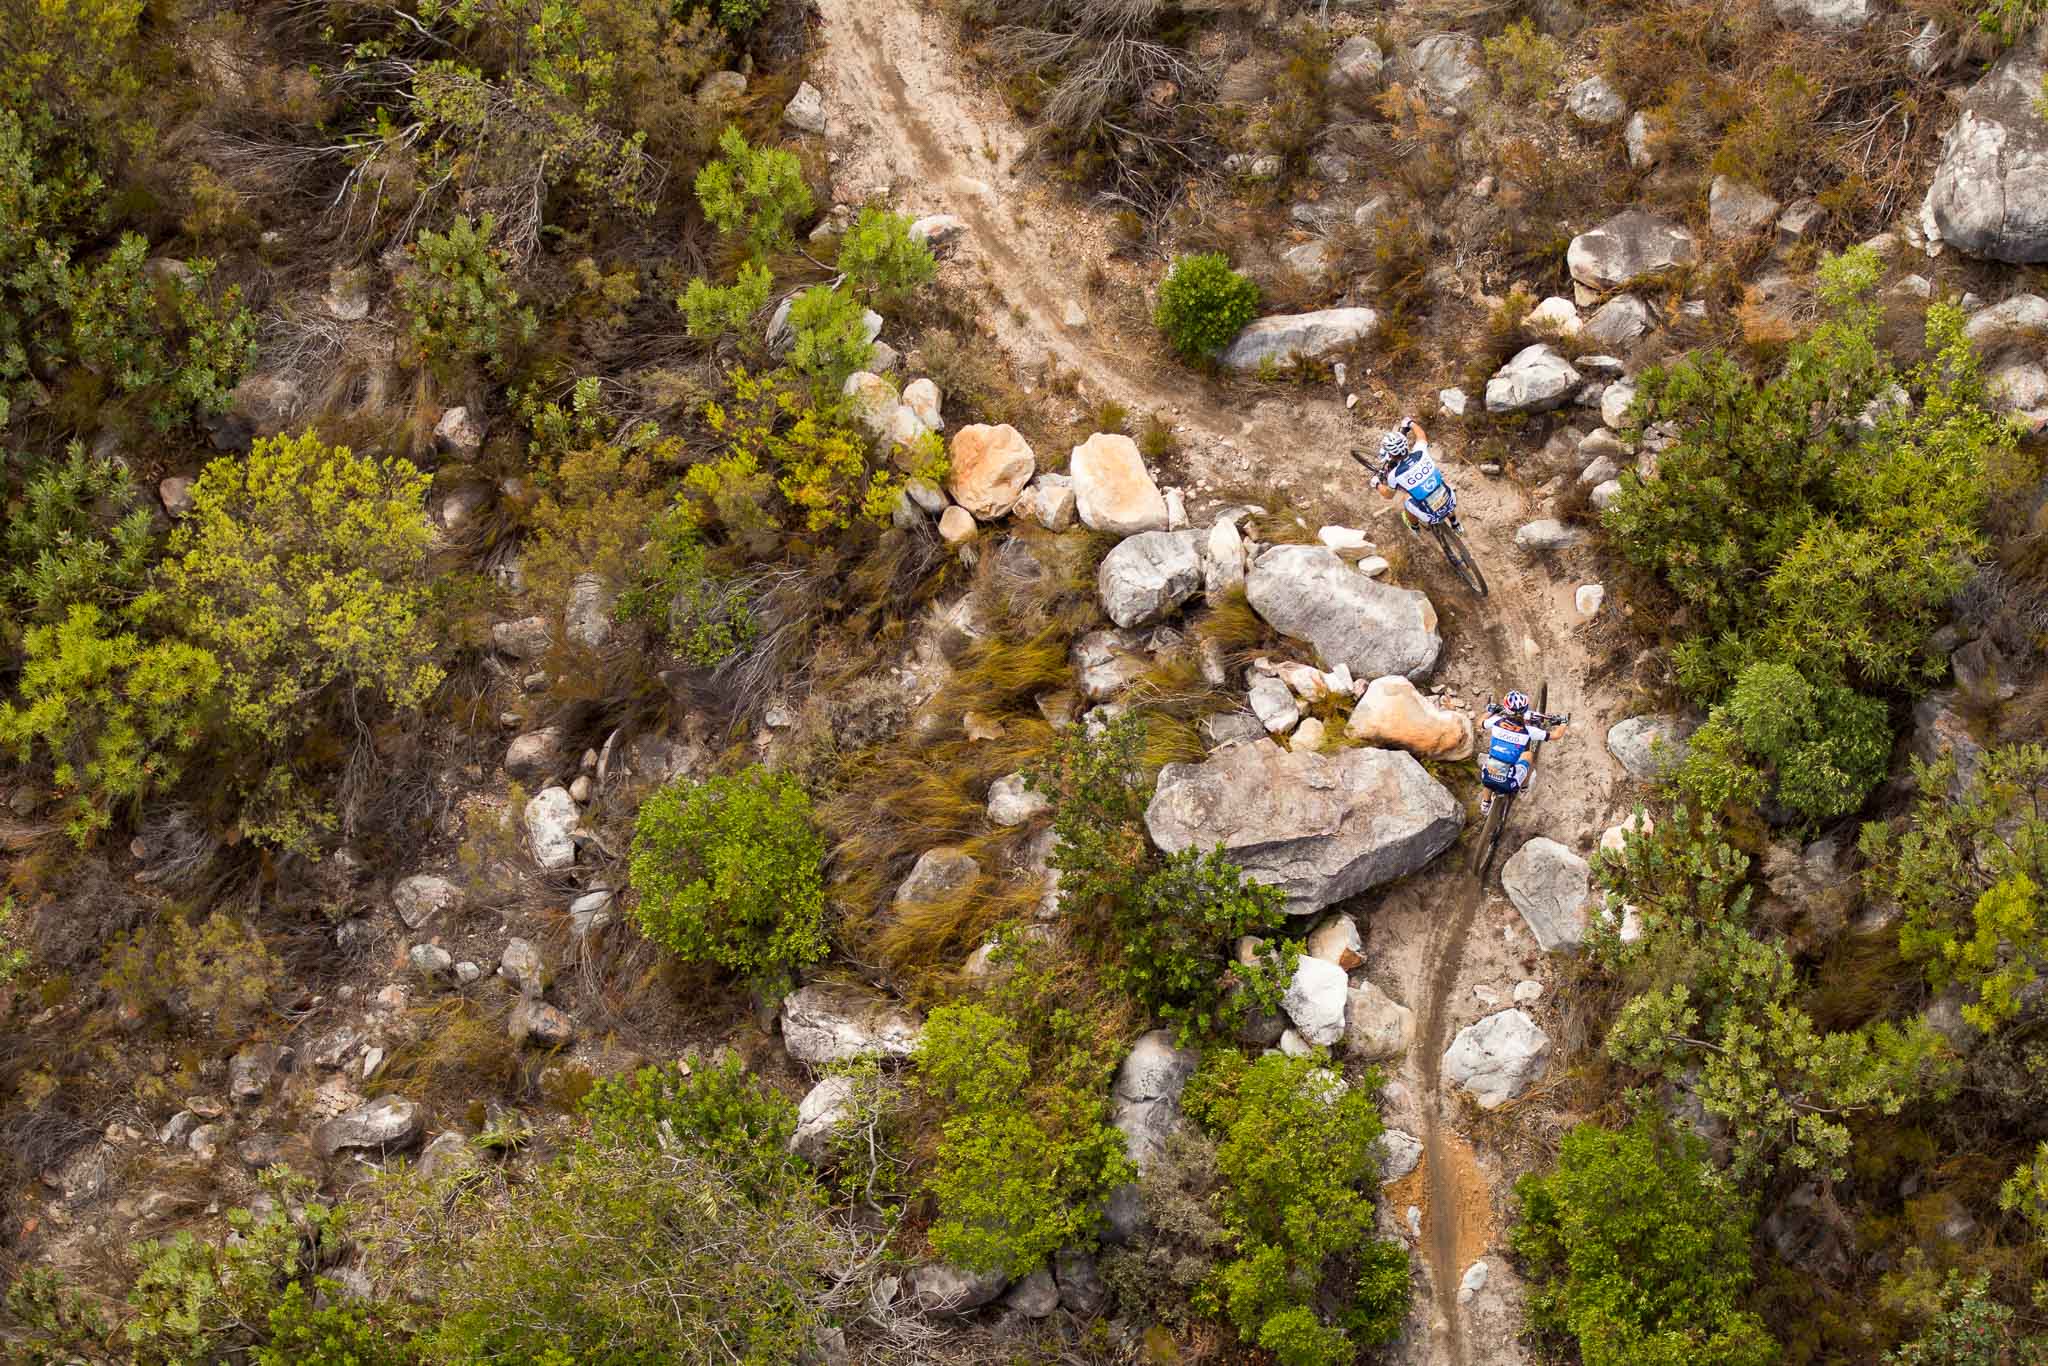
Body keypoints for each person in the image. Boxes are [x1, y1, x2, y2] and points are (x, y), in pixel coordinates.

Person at [1479, 690, 1567, 815]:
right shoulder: (1529, 730)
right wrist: (1563, 723)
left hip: (1487, 777)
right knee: (1529, 754)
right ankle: (1524, 786)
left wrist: (1490, 711)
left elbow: (1480, 723)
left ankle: (1485, 803)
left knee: (1491, 766)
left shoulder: (1495, 721)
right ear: (1525, 709)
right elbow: (1557, 735)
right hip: (1510, 782)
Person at [1371, 416, 1461, 534]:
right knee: (1441, 490)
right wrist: (1410, 423)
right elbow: (1421, 434)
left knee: (1407, 499)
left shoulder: (1394, 475)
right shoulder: (1421, 451)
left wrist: (1376, 484)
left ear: (1391, 454)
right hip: (1451, 499)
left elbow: (1388, 495)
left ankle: (1414, 527)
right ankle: (1455, 524)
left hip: (1430, 515)